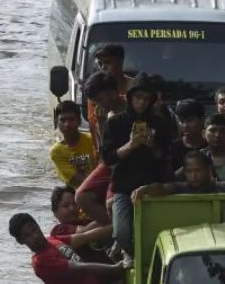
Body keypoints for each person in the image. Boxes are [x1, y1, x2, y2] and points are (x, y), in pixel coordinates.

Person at [101, 74, 175, 256]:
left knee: (156, 233)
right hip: (124, 187)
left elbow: (166, 155)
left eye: (146, 99)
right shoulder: (115, 123)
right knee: (122, 233)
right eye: (138, 98)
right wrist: (130, 145)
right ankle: (131, 255)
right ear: (130, 97)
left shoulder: (159, 123)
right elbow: (108, 157)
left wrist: (152, 145)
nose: (142, 103)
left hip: (153, 186)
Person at [131, 151, 225, 218]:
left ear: (208, 170)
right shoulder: (180, 187)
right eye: (189, 171)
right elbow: (161, 188)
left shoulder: (223, 186)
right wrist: (145, 189)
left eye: (197, 170)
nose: (193, 175)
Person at [76, 72, 127, 226]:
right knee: (81, 197)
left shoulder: (133, 107)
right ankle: (113, 231)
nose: (98, 106)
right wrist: (102, 123)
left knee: (111, 202)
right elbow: (105, 149)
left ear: (112, 93)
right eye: (95, 102)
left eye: (99, 100)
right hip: (111, 161)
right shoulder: (104, 116)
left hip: (128, 162)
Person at [50, 101, 96, 189]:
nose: (67, 124)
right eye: (63, 120)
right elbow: (78, 180)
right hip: (75, 191)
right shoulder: (57, 152)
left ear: (79, 121)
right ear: (56, 122)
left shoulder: (92, 140)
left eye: (71, 120)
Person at [169, 99, 208, 172]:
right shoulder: (172, 149)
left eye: (190, 120)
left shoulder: (210, 147)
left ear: (202, 120)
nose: (185, 125)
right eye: (181, 121)